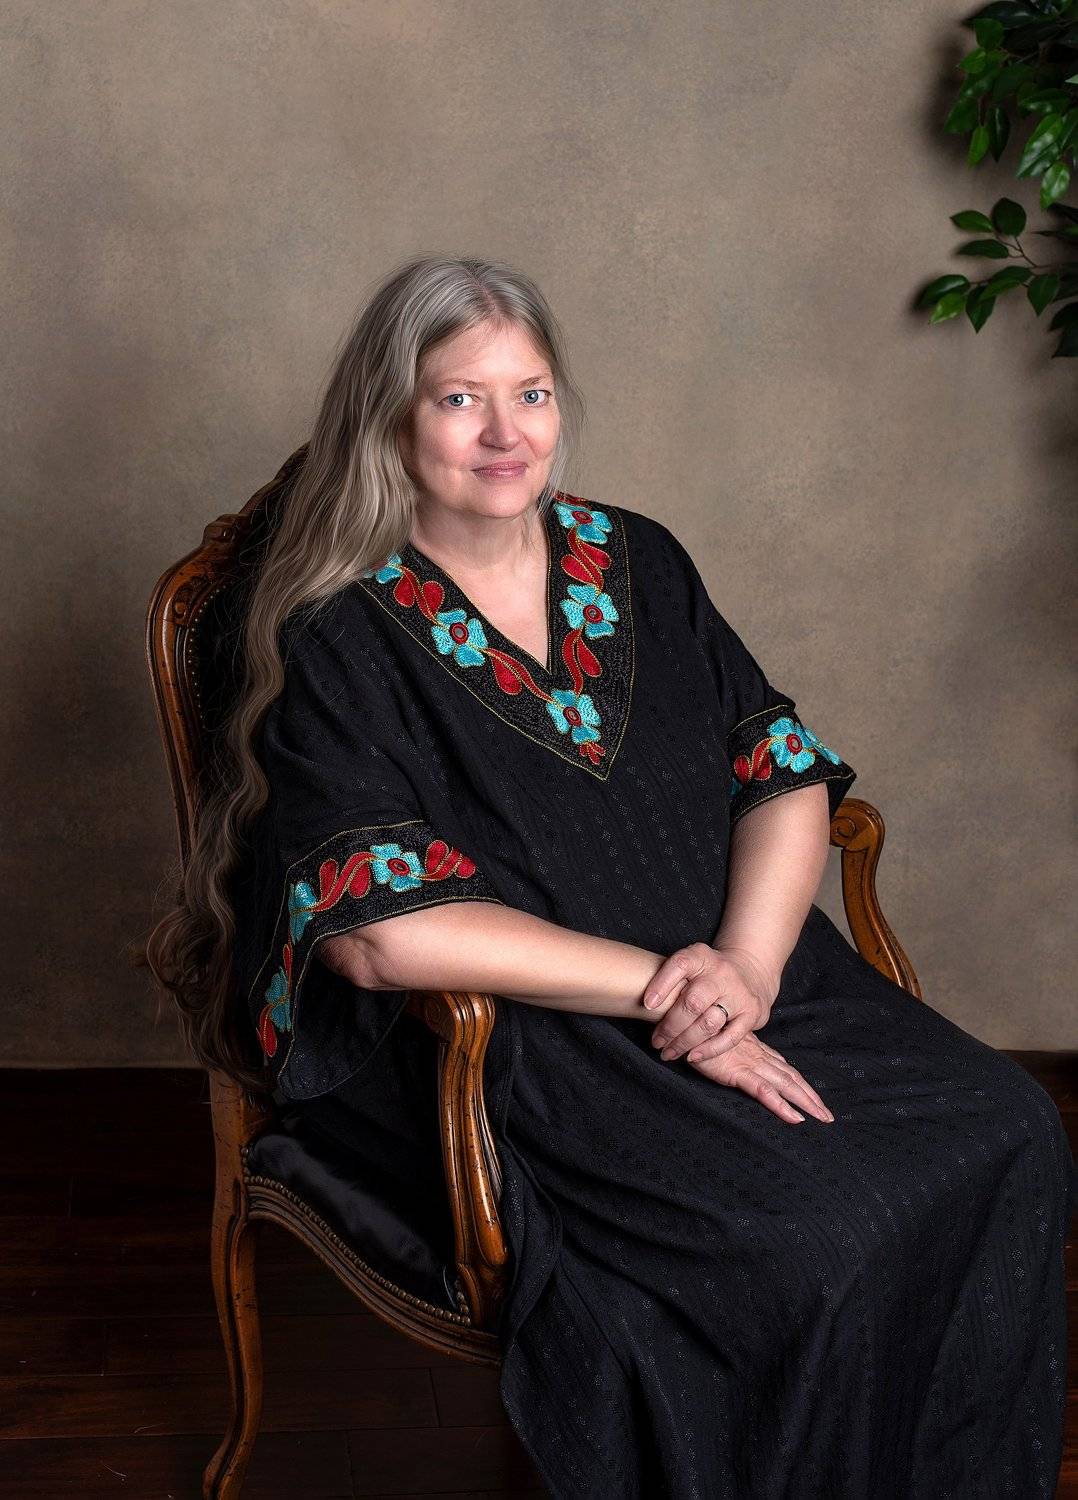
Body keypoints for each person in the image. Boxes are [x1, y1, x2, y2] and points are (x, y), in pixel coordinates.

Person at [155, 255, 1074, 1498]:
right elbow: (378, 935)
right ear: (387, 418)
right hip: (526, 1036)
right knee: (805, 1242)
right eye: (459, 399)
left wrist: (744, 971)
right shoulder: (338, 628)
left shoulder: (633, 556)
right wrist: (666, 994)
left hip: (743, 966)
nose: (505, 435)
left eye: (529, 395)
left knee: (1012, 1131)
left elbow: (778, 767)